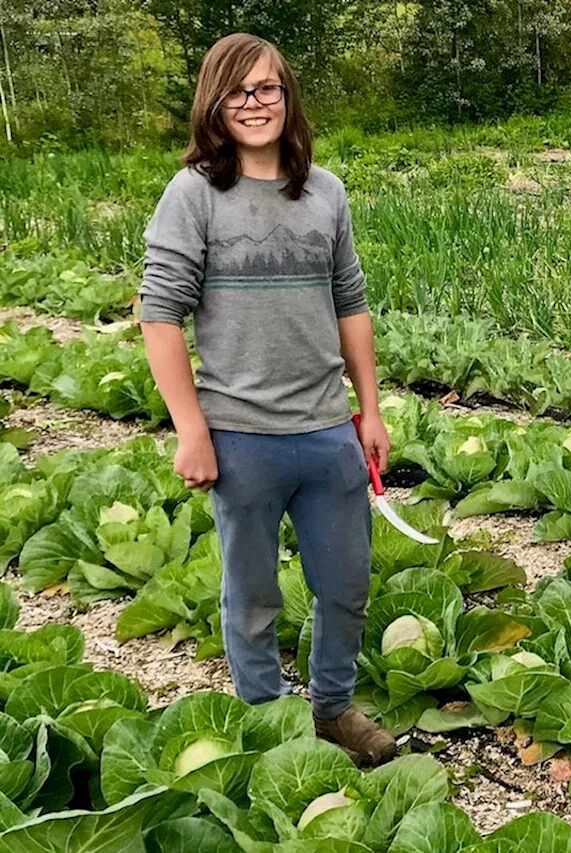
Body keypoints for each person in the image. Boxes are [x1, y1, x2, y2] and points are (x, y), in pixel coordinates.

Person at [137, 33, 395, 766]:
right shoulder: (194, 194)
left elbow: (351, 303)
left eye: (268, 89)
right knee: (251, 596)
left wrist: (369, 409)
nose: (255, 104)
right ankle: (263, 719)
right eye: (239, 92)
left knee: (345, 586)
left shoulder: (325, 192)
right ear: (215, 106)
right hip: (240, 435)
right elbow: (159, 315)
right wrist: (191, 429)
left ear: (288, 98)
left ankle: (334, 708)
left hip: (325, 430)